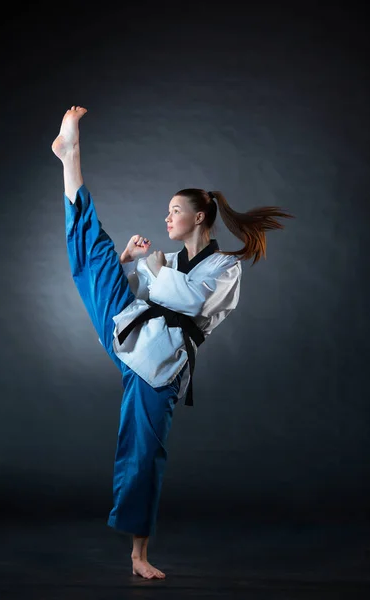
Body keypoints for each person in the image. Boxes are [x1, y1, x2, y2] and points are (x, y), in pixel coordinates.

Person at [51, 106, 295, 579]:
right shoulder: (161, 261)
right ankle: (69, 158)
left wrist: (159, 269)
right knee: (95, 255)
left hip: (159, 365)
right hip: (130, 331)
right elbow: (141, 293)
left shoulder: (225, 267)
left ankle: (138, 555)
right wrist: (127, 260)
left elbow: (193, 306)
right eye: (166, 211)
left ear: (200, 216)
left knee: (142, 454)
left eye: (175, 210)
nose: (167, 217)